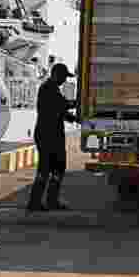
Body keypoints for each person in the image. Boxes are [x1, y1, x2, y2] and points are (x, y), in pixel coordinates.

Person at [27, 63, 80, 212]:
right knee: (45, 169)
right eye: (63, 77)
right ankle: (35, 202)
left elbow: (61, 111)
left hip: (52, 135)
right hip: (47, 135)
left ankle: (51, 200)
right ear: (56, 74)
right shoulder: (48, 88)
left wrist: (75, 119)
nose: (64, 80)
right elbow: (62, 106)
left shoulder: (53, 88)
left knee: (58, 167)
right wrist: (80, 103)